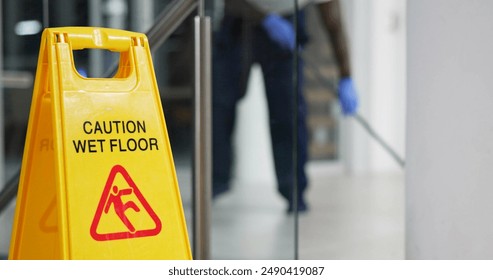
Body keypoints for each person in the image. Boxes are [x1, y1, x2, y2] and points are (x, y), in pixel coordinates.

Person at [212, 0, 358, 212]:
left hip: (288, 20)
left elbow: (333, 20)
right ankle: (213, 183)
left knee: (288, 113)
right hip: (240, 20)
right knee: (219, 105)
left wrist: (346, 76)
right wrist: (266, 19)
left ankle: (295, 192)